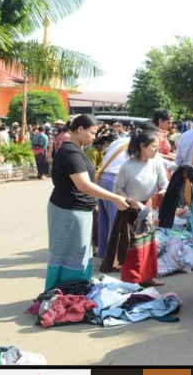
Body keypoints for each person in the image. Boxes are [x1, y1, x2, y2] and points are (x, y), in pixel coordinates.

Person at [45, 115, 137, 291]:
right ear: (79, 129)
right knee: (68, 254)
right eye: (92, 133)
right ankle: (63, 292)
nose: (94, 137)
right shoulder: (70, 152)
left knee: (80, 253)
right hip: (68, 210)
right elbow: (83, 184)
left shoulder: (79, 150)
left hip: (78, 210)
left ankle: (76, 290)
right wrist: (114, 197)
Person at [102, 128, 169, 287]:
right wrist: (132, 201)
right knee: (134, 249)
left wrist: (165, 190)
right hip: (130, 210)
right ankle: (132, 281)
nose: (156, 150)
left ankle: (148, 277)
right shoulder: (127, 166)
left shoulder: (157, 161)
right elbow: (117, 189)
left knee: (149, 244)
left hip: (147, 207)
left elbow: (164, 181)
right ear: (142, 146)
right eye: (154, 147)